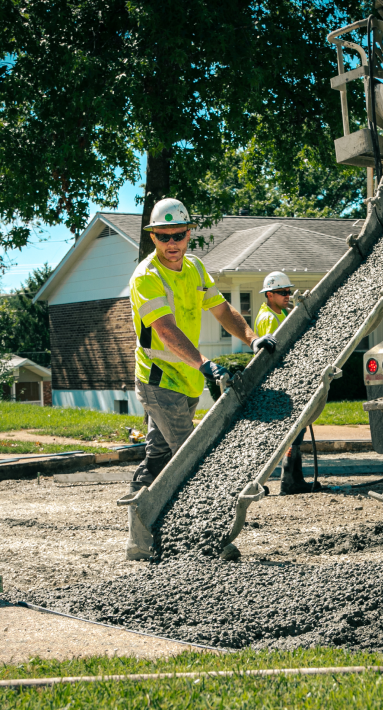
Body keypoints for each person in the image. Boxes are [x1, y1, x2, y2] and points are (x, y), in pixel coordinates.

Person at [127, 199, 276, 546]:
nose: (172, 244)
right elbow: (165, 331)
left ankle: (140, 537)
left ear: (189, 233)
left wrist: (253, 339)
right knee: (192, 464)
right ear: (153, 237)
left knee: (159, 458)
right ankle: (203, 539)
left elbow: (222, 310)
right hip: (159, 380)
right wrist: (204, 364)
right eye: (164, 237)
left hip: (189, 380)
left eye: (179, 235)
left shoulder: (194, 269)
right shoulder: (146, 278)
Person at [254, 272, 321, 495]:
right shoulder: (268, 319)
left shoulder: (279, 312)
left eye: (288, 292)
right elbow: (275, 356)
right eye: (283, 293)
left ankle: (292, 478)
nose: (287, 296)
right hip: (282, 383)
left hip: (287, 381)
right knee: (290, 433)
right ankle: (290, 480)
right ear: (269, 294)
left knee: (294, 432)